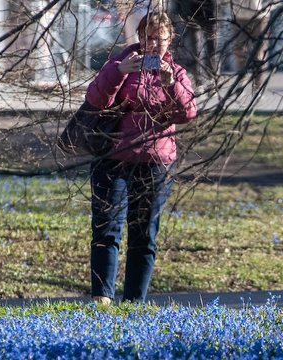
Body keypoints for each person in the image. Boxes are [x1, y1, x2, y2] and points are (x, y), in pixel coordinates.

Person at [85, 12, 197, 304]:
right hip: (113, 159)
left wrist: (170, 83)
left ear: (169, 40)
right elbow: (96, 100)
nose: (153, 44)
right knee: (106, 228)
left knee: (144, 235)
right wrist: (119, 72)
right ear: (140, 37)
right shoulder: (120, 64)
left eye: (159, 38)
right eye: (148, 37)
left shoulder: (177, 72)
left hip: (155, 163)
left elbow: (187, 113)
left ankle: (134, 302)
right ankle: (102, 299)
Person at [169, 0, 218, 89]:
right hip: (191, 13)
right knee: (195, 48)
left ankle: (212, 78)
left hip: (208, 11)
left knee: (211, 48)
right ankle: (199, 80)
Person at [230, 0, 270, 90]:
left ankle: (258, 85)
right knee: (240, 51)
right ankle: (241, 80)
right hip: (240, 15)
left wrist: (267, 6)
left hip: (260, 16)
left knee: (259, 53)